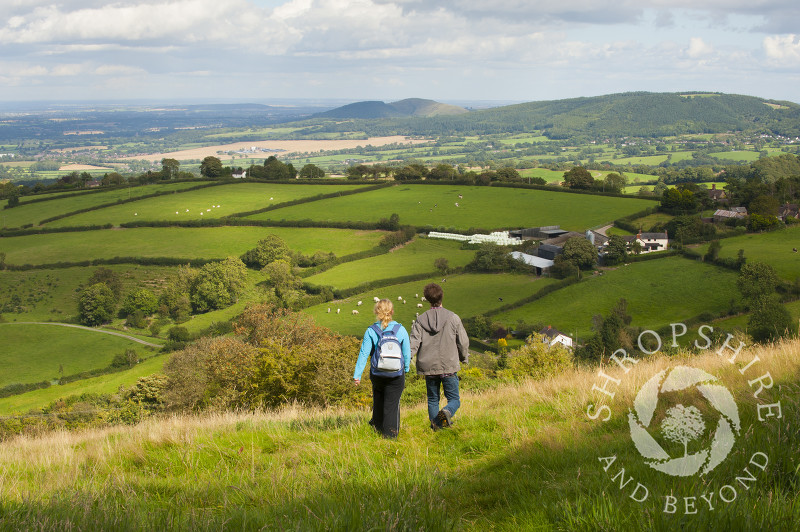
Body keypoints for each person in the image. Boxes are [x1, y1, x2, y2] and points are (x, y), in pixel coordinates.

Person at [410, 282, 469, 430]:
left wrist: (405, 361)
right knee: (454, 399)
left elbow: (413, 345)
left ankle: (436, 427)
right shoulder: (453, 318)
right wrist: (463, 358)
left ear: (427, 299)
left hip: (428, 367)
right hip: (448, 364)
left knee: (433, 399)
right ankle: (446, 412)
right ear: (442, 297)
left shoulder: (420, 320)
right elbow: (463, 341)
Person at [353, 299, 411, 438]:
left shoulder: (371, 331)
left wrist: (357, 375)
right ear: (392, 312)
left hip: (377, 373)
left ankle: (377, 429)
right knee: (392, 405)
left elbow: (364, 354)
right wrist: (406, 369)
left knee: (378, 400)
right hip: (396, 374)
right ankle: (389, 436)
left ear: (376, 312)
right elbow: (407, 353)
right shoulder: (400, 329)